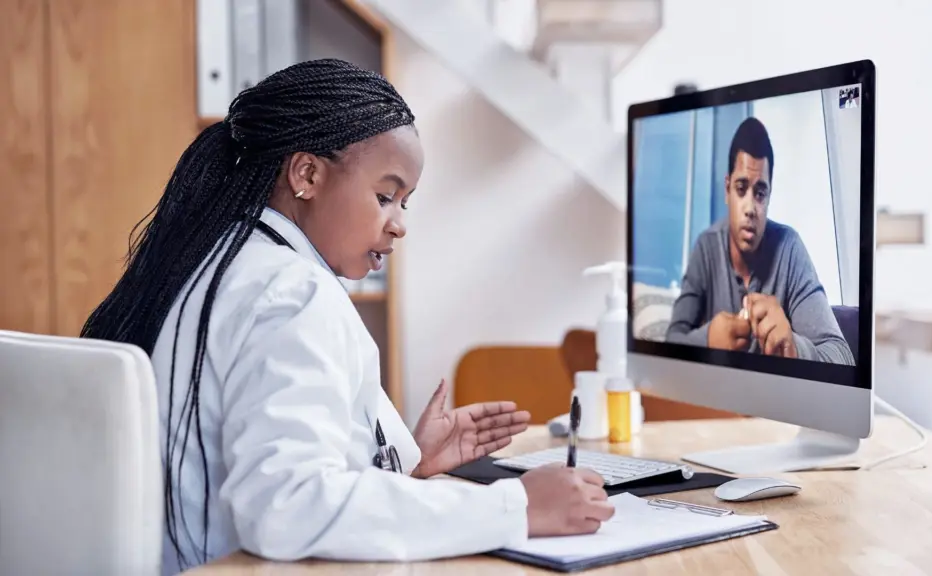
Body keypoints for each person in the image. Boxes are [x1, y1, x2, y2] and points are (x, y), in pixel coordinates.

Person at [79, 59, 614, 575]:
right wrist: (516, 506)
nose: (399, 224)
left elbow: (271, 463)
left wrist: (405, 458)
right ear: (306, 174)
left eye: (405, 203)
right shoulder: (291, 293)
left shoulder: (226, 262)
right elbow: (287, 507)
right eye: (386, 196)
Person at [664, 117, 855, 365]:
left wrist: (793, 347)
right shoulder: (707, 247)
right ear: (727, 189)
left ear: (769, 197)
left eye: (760, 194)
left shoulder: (789, 248)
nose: (750, 208)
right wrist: (708, 339)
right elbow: (670, 342)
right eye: (741, 188)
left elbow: (843, 356)